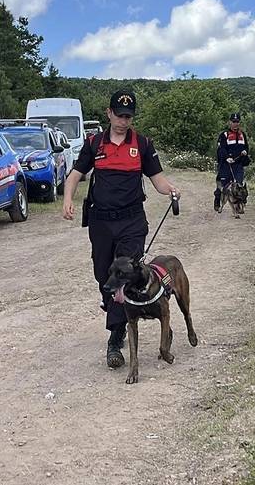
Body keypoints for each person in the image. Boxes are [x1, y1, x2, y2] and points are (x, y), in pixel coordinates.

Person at [62, 90, 180, 369]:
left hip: (131, 222)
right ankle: (116, 312)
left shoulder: (143, 144)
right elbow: (75, 175)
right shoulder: (94, 143)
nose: (123, 121)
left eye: (128, 116)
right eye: (118, 114)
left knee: (124, 273)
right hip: (101, 222)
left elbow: (157, 179)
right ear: (109, 113)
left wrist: (170, 190)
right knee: (104, 275)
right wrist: (68, 199)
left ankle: (115, 337)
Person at [214, 112, 250, 211]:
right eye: (234, 121)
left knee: (238, 186)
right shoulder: (224, 135)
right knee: (223, 186)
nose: (236, 123)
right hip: (226, 165)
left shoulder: (243, 135)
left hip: (238, 164)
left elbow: (246, 147)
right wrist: (226, 157)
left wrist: (245, 151)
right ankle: (217, 201)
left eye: (237, 121)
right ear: (230, 122)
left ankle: (237, 206)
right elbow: (221, 149)